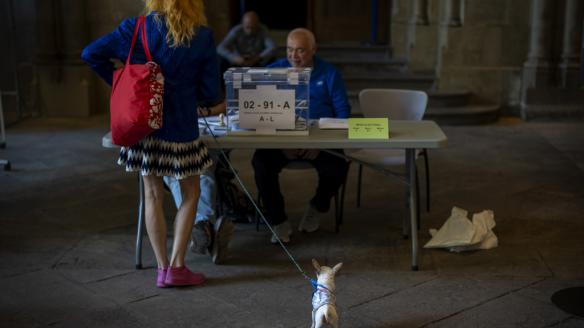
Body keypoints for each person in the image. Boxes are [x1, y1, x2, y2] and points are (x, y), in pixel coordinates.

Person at [81, 0, 222, 288]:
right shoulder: (202, 35)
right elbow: (209, 91)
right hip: (182, 127)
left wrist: (125, 81)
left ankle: (161, 270)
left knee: (153, 194)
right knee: (191, 192)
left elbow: (90, 53)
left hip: (144, 126)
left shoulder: (135, 29)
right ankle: (178, 266)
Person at [252, 28, 351, 244]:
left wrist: (319, 144)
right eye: (289, 50)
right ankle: (278, 221)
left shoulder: (329, 74)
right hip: (281, 141)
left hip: (320, 141)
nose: (293, 56)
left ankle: (318, 206)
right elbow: (260, 114)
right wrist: (281, 145)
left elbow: (343, 114)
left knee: (339, 165)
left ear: (313, 50)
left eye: (300, 51)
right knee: (261, 163)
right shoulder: (273, 72)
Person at [163, 100, 235, 265]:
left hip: (207, 132)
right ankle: (209, 232)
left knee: (198, 174)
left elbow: (232, 99)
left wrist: (207, 111)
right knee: (182, 174)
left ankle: (201, 228)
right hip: (171, 138)